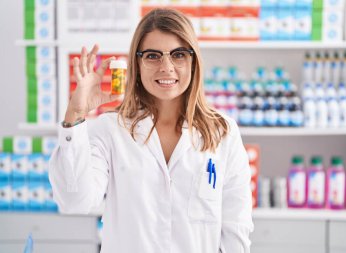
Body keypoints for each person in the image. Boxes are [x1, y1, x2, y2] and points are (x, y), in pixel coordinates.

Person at [49, 8, 253, 253]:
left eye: (178, 55)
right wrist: (75, 113)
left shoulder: (222, 132)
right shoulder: (110, 130)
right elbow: (74, 201)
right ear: (137, 63)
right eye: (153, 56)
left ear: (193, 61)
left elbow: (235, 229)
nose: (166, 67)